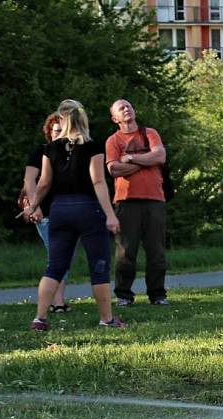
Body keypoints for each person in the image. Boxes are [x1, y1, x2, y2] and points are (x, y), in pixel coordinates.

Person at [22, 99, 125, 330]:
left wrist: (33, 205)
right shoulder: (92, 147)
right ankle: (107, 319)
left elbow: (44, 183)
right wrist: (110, 215)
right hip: (87, 208)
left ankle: (39, 318)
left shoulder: (51, 148)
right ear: (83, 120)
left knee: (55, 266)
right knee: (98, 264)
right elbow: (98, 181)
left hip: (59, 210)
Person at [105, 98, 169, 306]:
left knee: (156, 250)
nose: (126, 109)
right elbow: (113, 169)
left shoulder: (149, 133)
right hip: (126, 201)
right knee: (126, 251)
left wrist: (131, 160)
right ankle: (124, 295)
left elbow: (160, 156)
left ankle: (157, 295)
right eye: (121, 108)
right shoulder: (113, 141)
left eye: (129, 106)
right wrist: (145, 161)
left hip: (154, 199)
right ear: (114, 118)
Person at [22, 112, 69, 312]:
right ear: (49, 132)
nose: (59, 134)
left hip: (67, 211)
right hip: (46, 212)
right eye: (56, 130)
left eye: (63, 130)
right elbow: (29, 179)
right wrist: (35, 205)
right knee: (56, 256)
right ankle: (56, 303)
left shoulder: (72, 153)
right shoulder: (41, 151)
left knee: (63, 256)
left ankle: (57, 300)